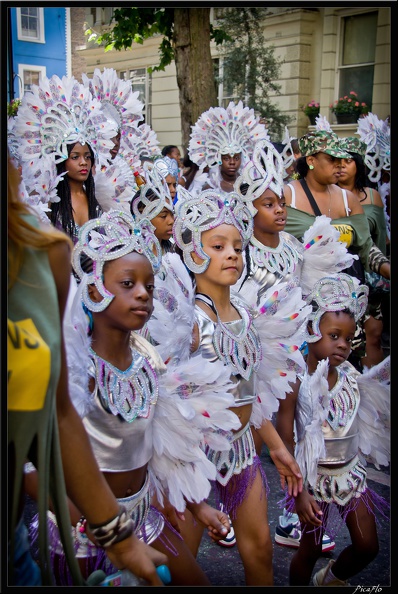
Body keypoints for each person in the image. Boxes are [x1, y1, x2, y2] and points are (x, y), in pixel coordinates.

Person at [26, 208, 234, 586]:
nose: (142, 293)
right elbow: (33, 468)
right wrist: (97, 524)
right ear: (93, 290)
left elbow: (161, 448)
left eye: (149, 286)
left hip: (143, 518)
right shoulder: (76, 369)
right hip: (80, 532)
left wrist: (197, 506)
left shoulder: (149, 361)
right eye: (127, 284)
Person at [7, 155, 168, 586]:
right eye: (128, 285)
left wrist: (115, 535)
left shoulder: (43, 254)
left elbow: (55, 416)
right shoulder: (89, 364)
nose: (143, 297)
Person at [169, 189, 305, 585]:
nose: (232, 254)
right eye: (218, 246)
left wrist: (278, 449)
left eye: (237, 246)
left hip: (244, 449)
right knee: (186, 568)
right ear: (195, 253)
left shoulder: (248, 314)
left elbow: (252, 394)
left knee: (260, 551)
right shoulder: (188, 324)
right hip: (195, 457)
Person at [233, 137, 356, 552]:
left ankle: (290, 504)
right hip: (251, 354)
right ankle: (234, 502)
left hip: (292, 352)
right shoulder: (242, 252)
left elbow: (304, 294)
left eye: (280, 203)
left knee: (290, 421)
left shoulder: (291, 249)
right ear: (250, 211)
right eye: (268, 204)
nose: (280, 210)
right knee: (244, 433)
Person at [275, 273, 390, 586]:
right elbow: (284, 442)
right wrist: (297, 495)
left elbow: (380, 380)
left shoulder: (352, 374)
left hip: (350, 475)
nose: (342, 344)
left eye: (348, 338)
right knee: (309, 551)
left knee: (368, 546)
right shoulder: (295, 380)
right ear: (313, 331)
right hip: (312, 481)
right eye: (334, 335)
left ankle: (329, 580)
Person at [283, 130, 390, 371]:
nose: (339, 165)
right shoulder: (287, 195)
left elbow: (366, 248)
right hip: (304, 298)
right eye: (331, 159)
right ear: (311, 160)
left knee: (344, 364)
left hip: (346, 297)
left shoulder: (348, 199)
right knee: (305, 364)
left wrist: (387, 269)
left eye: (342, 160)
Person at [13, 73, 117, 243]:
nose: (83, 162)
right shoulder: (47, 201)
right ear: (61, 159)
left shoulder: (97, 198)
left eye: (87, 156)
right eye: (75, 157)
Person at [337, 136, 390, 369]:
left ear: (358, 164)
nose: (340, 166)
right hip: (342, 277)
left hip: (371, 275)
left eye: (347, 161)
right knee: (348, 338)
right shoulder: (326, 197)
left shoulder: (372, 196)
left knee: (373, 336)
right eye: (336, 161)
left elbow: (379, 237)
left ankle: (374, 393)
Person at [188, 100, 268, 197]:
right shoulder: (209, 188)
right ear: (219, 159)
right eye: (226, 158)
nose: (232, 162)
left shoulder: (249, 185)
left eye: (236, 158)